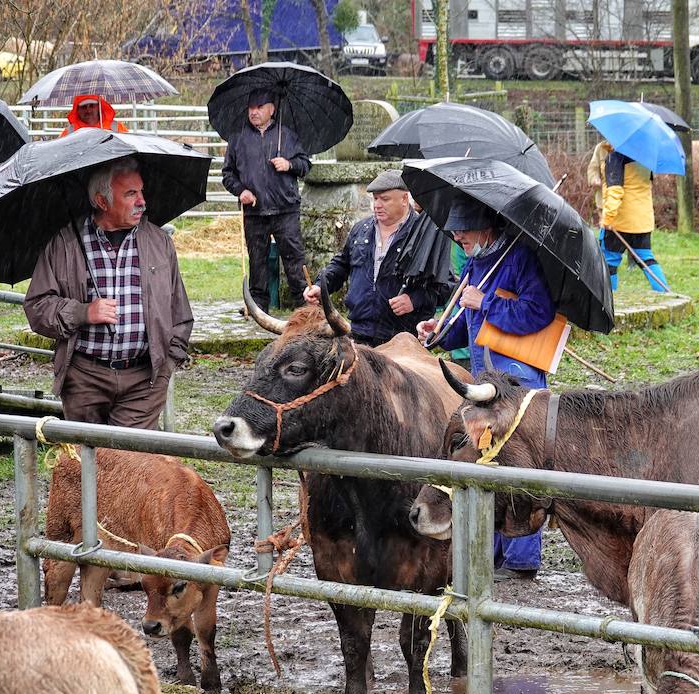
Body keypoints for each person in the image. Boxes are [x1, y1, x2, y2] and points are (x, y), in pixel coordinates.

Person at [417, 198, 556, 580]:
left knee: (518, 462)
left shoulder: (521, 257)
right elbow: (471, 322)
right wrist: (439, 332)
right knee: (485, 459)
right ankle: (493, 552)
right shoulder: (478, 263)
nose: (457, 234)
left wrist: (486, 301)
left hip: (518, 381)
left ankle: (522, 557)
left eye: (464, 228)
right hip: (485, 380)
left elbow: (537, 312)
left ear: (487, 228)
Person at [24, 158, 192, 429]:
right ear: (102, 202)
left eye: (141, 191)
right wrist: (83, 312)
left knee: (132, 463)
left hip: (143, 380)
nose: (141, 201)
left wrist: (165, 367)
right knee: (89, 463)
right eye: (130, 194)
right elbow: (37, 307)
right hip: (84, 379)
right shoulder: (66, 243)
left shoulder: (159, 242)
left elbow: (180, 314)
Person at [303, 169, 453, 347]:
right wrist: (321, 286)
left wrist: (415, 300)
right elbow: (341, 265)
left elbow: (447, 285)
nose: (377, 205)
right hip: (359, 332)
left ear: (405, 199)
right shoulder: (361, 229)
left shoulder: (424, 234)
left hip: (402, 338)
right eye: (375, 199)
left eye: (385, 199)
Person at [221, 88, 310, 313]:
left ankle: (304, 306)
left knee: (294, 260)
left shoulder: (288, 134)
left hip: (285, 209)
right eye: (251, 107)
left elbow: (305, 165)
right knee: (257, 262)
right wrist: (241, 191)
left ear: (272, 108)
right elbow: (228, 174)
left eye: (260, 107)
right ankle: (258, 307)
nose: (254, 112)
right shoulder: (238, 137)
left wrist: (289, 165)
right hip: (254, 211)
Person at [599, 146, 669, 293]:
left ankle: (610, 299)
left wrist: (608, 217)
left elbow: (615, 190)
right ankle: (665, 293)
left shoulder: (615, 157)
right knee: (645, 257)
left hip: (620, 220)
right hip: (642, 219)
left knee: (608, 260)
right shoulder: (645, 158)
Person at [58, 95, 129, 136]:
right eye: (84, 107)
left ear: (99, 107)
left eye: (92, 106)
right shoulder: (70, 132)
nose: (88, 110)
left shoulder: (116, 127)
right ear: (77, 110)